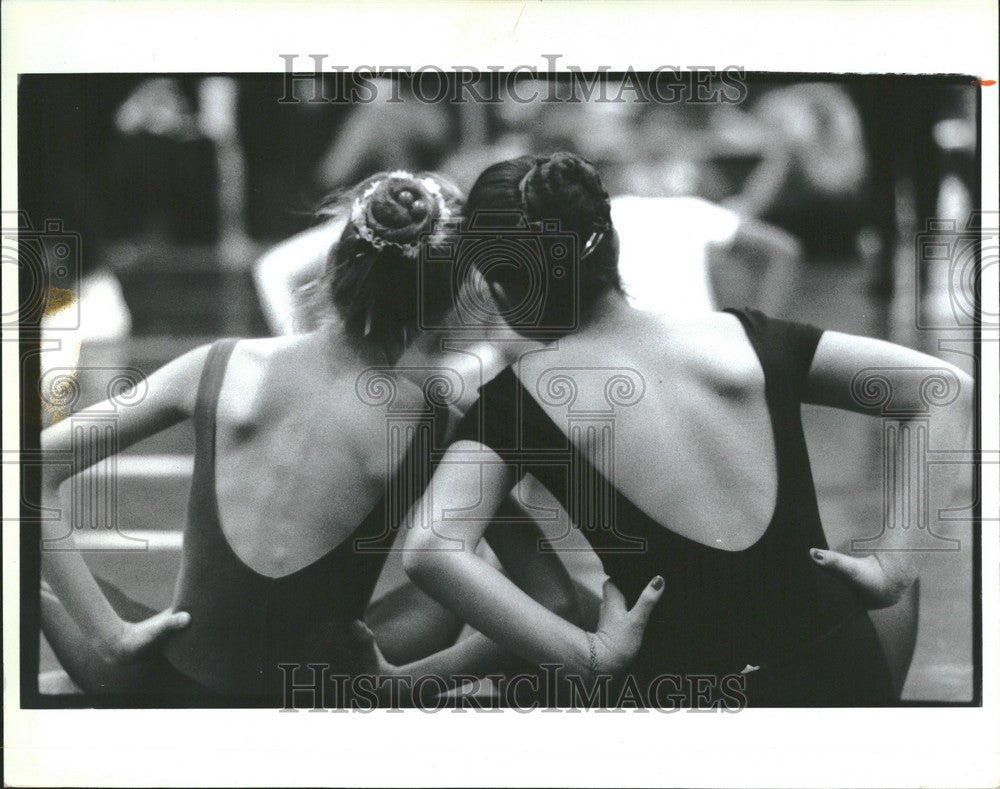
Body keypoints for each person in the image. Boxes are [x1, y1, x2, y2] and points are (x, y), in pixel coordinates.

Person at [38, 170, 651, 706]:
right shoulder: (431, 420)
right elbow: (553, 599)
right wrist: (401, 684)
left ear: (332, 266)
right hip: (321, 691)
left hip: (166, 679)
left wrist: (109, 634)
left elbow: (27, 469)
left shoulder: (220, 365)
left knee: (33, 568)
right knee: (478, 563)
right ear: (447, 305)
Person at [397, 153, 974, 706]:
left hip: (689, 696)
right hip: (839, 675)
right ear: (612, 247)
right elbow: (941, 388)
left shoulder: (518, 400)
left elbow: (431, 550)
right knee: (869, 580)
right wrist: (894, 565)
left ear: (502, 291)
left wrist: (587, 655)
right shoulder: (745, 337)